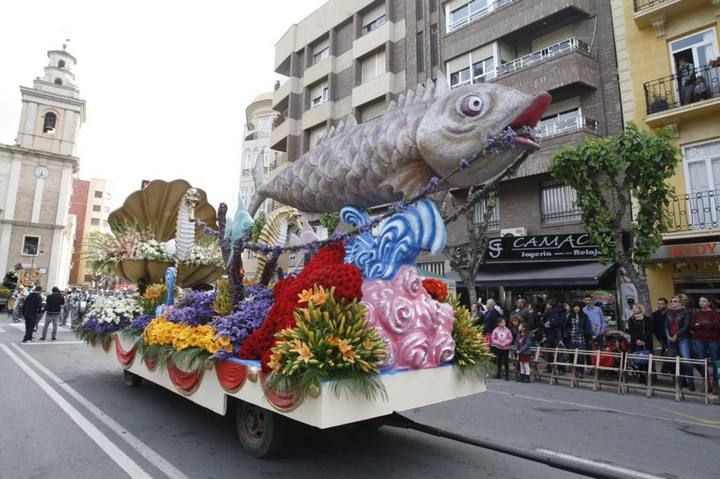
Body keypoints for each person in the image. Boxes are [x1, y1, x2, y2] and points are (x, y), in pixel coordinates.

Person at [690, 296, 720, 395]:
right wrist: (707, 324)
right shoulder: (696, 314)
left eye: (704, 301)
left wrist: (701, 324)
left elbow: (716, 326)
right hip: (699, 340)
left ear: (709, 303)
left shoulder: (715, 313)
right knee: (702, 361)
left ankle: (715, 383)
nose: (701, 303)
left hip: (713, 340)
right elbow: (693, 326)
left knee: (715, 362)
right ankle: (706, 382)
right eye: (700, 301)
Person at [666, 295, 694, 391]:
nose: (673, 303)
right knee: (674, 360)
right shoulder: (668, 312)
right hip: (671, 339)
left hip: (683, 338)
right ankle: (679, 382)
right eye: (671, 301)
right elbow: (666, 326)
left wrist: (676, 335)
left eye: (675, 301)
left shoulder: (686, 312)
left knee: (686, 360)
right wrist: (668, 336)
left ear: (680, 302)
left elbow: (686, 326)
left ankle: (690, 382)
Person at [565, 302, 591, 374]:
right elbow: (566, 326)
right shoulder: (570, 316)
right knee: (572, 356)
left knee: (581, 356)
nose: (576, 308)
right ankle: (575, 371)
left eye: (578, 306)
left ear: (580, 308)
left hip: (581, 339)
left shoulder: (584, 316)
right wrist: (569, 332)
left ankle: (580, 372)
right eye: (574, 306)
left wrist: (583, 331)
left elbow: (588, 327)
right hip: (572, 339)